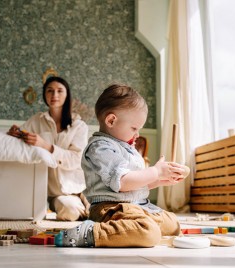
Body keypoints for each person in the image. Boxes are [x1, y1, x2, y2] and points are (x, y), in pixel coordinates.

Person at [54, 83, 190, 247]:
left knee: (173, 224)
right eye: (134, 128)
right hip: (111, 209)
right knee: (148, 232)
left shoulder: (127, 147)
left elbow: (136, 183)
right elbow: (124, 182)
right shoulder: (100, 147)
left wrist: (161, 179)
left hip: (136, 206)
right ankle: (91, 232)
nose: (137, 134)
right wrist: (155, 171)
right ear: (111, 120)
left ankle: (131, 230)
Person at [7, 76, 89, 221]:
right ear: (45, 95)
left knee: (101, 212)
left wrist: (45, 145)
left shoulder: (79, 126)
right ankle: (82, 208)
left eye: (59, 91)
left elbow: (76, 160)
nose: (54, 95)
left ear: (67, 94)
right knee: (70, 212)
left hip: (78, 188)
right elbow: (21, 138)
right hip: (54, 193)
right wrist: (14, 134)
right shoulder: (36, 120)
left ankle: (86, 204)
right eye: (50, 91)